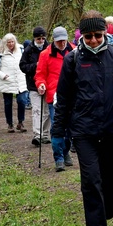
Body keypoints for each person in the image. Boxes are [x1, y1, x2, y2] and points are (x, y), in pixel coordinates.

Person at [53, 10, 113, 226]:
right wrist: (58, 133)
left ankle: (106, 209)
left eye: (98, 35)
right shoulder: (72, 60)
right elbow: (64, 100)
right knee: (91, 181)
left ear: (105, 34)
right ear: (82, 35)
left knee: (111, 180)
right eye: (89, 36)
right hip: (84, 130)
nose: (93, 40)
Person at [35, 26, 74, 171]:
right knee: (57, 128)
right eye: (59, 42)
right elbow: (39, 74)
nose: (62, 44)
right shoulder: (45, 54)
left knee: (71, 128)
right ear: (53, 40)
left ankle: (65, 151)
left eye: (64, 40)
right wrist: (41, 84)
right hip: (54, 96)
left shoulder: (75, 51)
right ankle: (58, 158)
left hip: (72, 95)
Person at [0, 33, 30, 133]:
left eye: (12, 42)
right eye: (9, 42)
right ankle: (10, 124)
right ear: (5, 43)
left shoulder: (21, 50)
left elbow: (26, 62)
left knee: (22, 101)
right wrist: (3, 75)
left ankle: (20, 122)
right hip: (7, 81)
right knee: (8, 103)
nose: (11, 44)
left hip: (20, 80)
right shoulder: (0, 53)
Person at [20, 26, 49, 147]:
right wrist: (36, 66)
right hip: (33, 84)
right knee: (36, 110)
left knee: (46, 111)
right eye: (38, 38)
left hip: (47, 83)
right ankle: (37, 135)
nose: (41, 40)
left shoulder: (49, 48)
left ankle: (45, 134)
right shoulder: (28, 50)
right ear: (34, 38)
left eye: (43, 38)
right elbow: (22, 66)